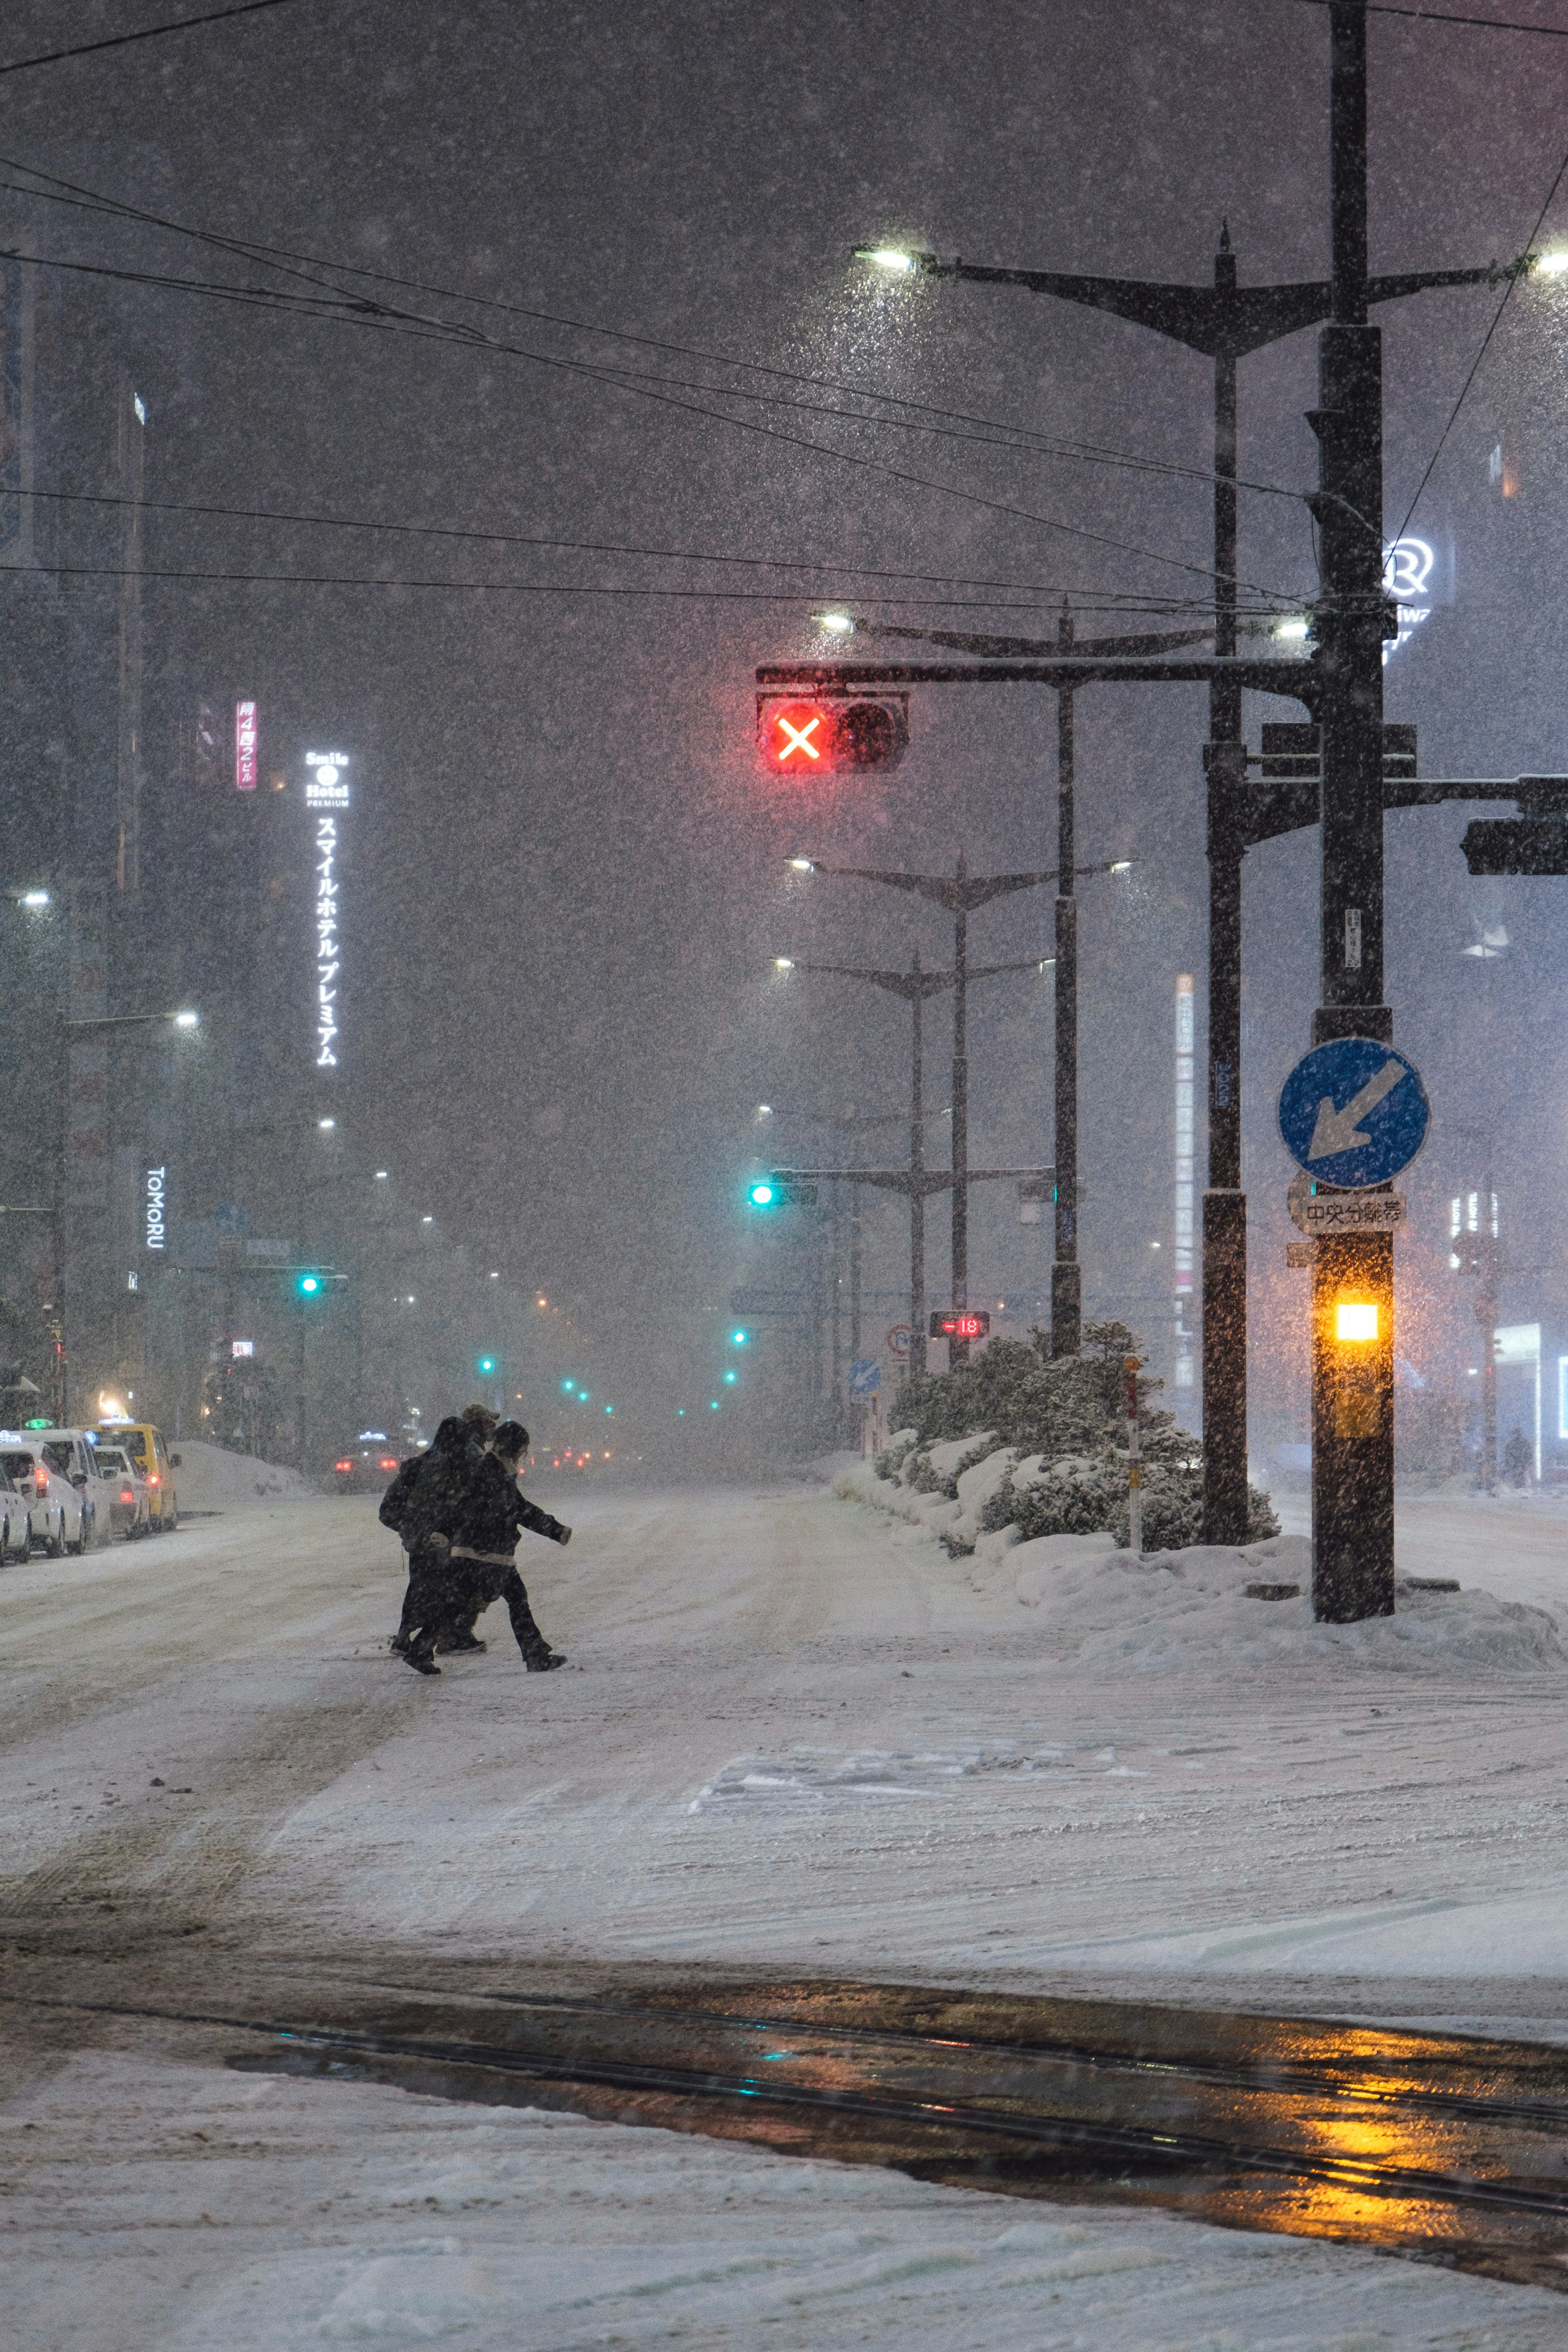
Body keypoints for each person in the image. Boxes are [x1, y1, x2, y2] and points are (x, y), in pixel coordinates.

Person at [445, 1419, 572, 1671]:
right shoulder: (493, 1472)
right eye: (523, 1448)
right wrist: (554, 1529)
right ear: (514, 1447)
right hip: (487, 1551)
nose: (523, 1454)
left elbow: (511, 1507)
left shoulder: (496, 1469)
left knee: (464, 1602)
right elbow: (517, 1509)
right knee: (516, 1599)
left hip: (483, 1549)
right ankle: (536, 1655)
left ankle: (423, 1646)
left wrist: (554, 1530)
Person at [381, 1415, 485, 1675]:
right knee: (453, 1596)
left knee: (420, 1591)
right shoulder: (459, 1471)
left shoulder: (416, 1466)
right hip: (448, 1546)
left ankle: (406, 1640)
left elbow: (387, 1511)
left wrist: (411, 1530)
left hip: (421, 1545)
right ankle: (448, 1640)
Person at [1503, 1426, 1533, 1490]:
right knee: (1520, 1476)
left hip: (1518, 1465)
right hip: (1520, 1465)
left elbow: (1508, 1455)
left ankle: (1519, 1487)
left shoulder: (1511, 1444)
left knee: (1519, 1476)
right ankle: (1520, 1488)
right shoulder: (1525, 1443)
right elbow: (1530, 1454)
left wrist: (1512, 1464)